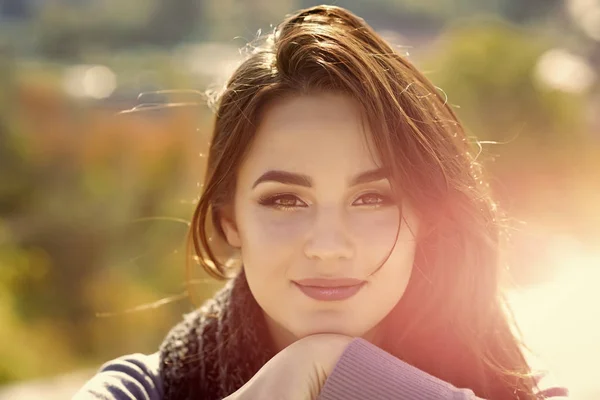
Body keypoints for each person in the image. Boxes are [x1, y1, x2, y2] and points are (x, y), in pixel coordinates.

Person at [74, 5, 568, 400]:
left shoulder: (517, 390)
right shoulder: (142, 391)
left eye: (372, 197)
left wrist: (333, 368)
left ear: (427, 218)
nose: (328, 247)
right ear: (230, 222)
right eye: (285, 200)